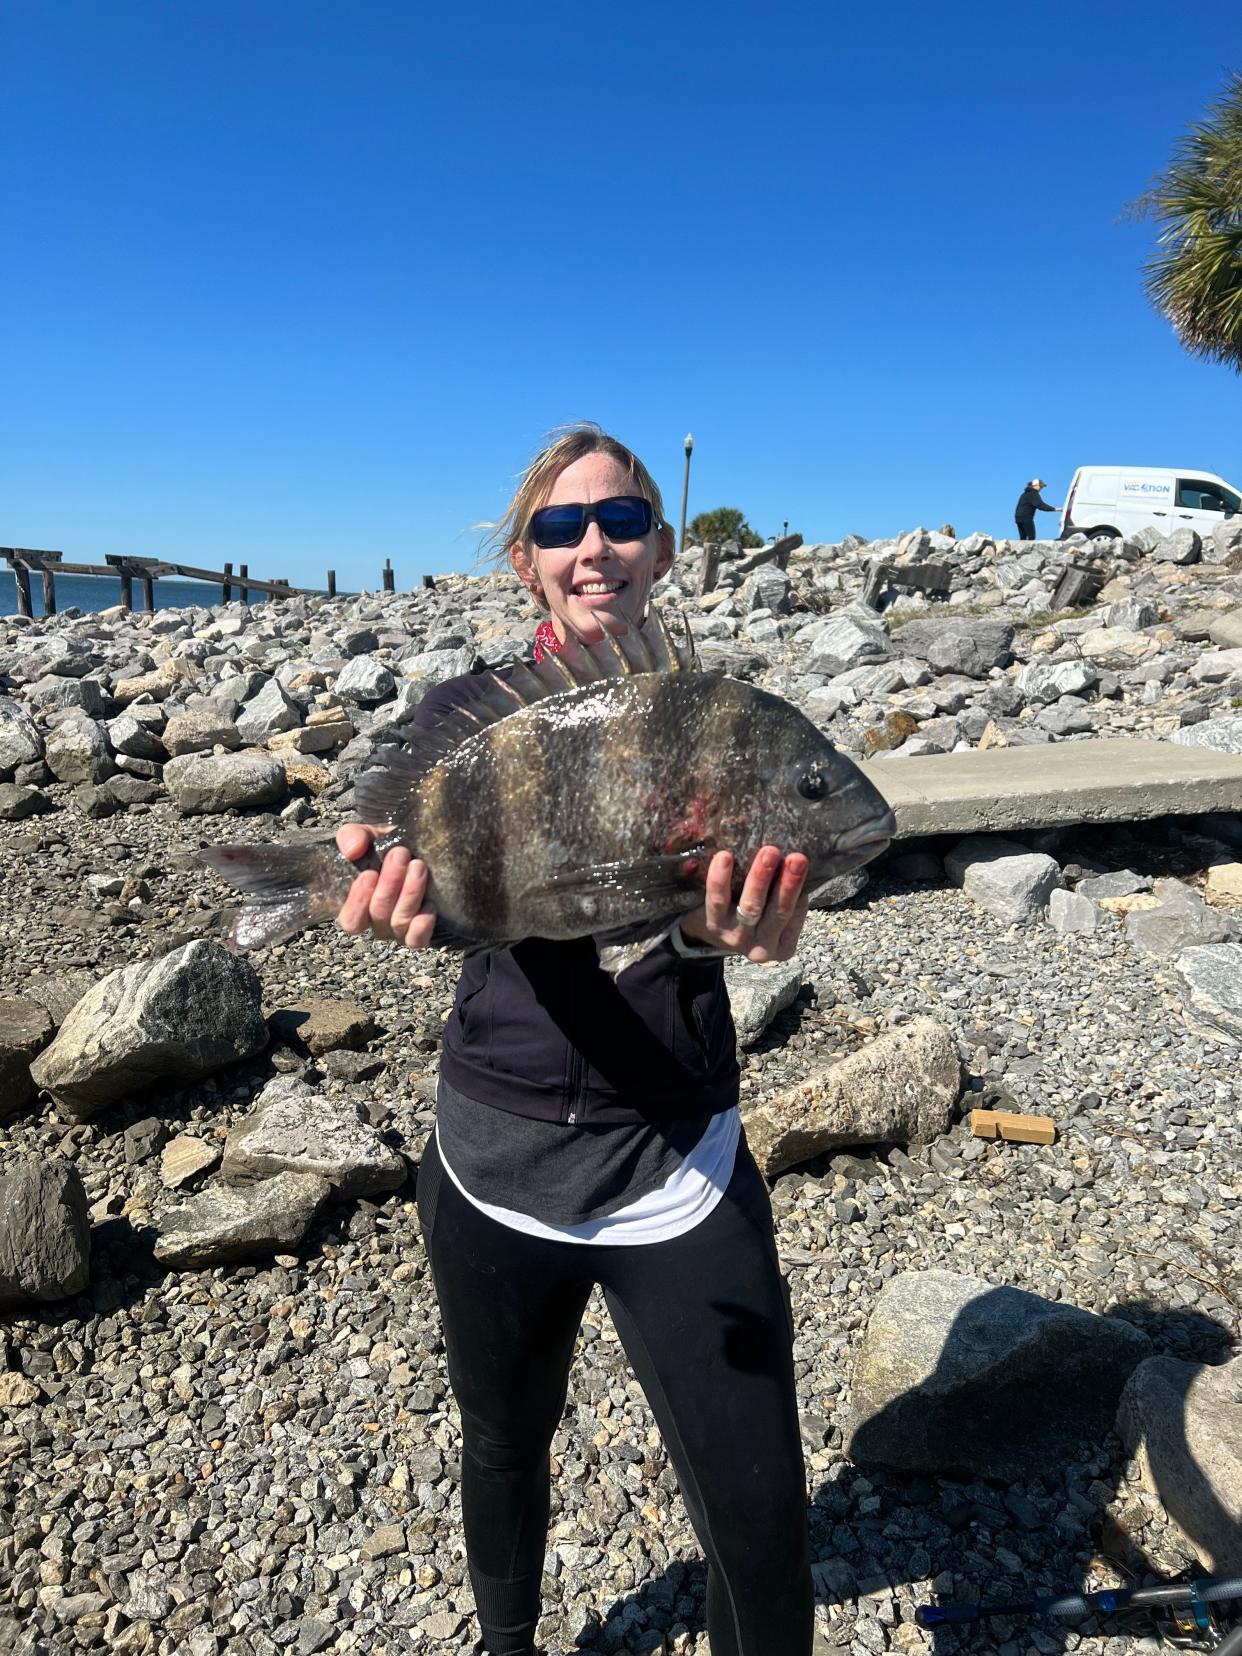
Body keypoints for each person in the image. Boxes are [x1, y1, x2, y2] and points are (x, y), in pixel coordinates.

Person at [334, 426, 817, 1656]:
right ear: (524, 558)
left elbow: (692, 919)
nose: (591, 545)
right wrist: (395, 903)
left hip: (678, 1167)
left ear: (660, 548)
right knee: (500, 1439)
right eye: (561, 526)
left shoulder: (712, 720)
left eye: (619, 521)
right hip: (491, 1167)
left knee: (762, 1523)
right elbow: (424, 870)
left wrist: (737, 937)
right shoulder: (465, 720)